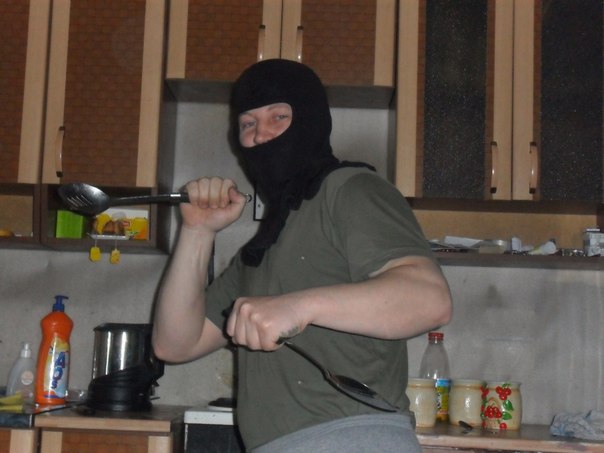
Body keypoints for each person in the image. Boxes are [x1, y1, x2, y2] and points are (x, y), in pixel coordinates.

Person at [152, 59, 452, 452]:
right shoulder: (266, 243)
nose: (261, 135)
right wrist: (197, 231)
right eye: (247, 124)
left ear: (310, 119)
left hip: (354, 441)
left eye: (278, 117)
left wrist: (297, 307)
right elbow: (175, 344)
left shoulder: (353, 189)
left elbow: (430, 299)